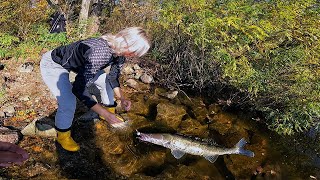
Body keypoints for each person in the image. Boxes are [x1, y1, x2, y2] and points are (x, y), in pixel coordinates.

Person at [40, 27, 150, 152]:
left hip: (79, 65)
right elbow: (78, 88)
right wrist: (103, 112)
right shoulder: (100, 52)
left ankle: (110, 112)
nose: (134, 56)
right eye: (135, 52)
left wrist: (122, 98)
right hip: (55, 63)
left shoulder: (119, 54)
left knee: (105, 81)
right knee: (68, 102)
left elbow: (113, 77)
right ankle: (63, 136)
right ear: (128, 44)